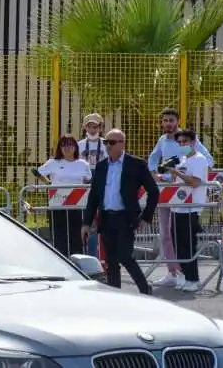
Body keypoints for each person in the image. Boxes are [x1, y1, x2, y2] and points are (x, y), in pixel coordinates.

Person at [82, 129, 159, 295]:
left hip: (126, 217)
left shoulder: (136, 164)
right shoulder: (101, 166)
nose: (107, 146)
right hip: (107, 218)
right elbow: (93, 197)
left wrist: (146, 217)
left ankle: (145, 289)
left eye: (111, 142)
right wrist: (87, 223)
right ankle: (115, 293)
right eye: (106, 142)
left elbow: (154, 191)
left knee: (124, 255)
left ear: (122, 144)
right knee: (111, 259)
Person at [148, 108, 214, 289]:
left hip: (185, 197)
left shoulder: (189, 141)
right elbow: (153, 159)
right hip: (165, 192)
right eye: (165, 120)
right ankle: (172, 272)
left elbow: (208, 161)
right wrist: (155, 173)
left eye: (171, 120)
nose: (168, 123)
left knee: (181, 236)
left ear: (178, 121)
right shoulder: (162, 140)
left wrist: (185, 172)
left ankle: (185, 274)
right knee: (166, 235)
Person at [164, 128, 209, 293]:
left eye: (185, 141)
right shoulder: (182, 159)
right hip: (178, 207)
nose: (182, 145)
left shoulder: (199, 160)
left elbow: (195, 182)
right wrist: (166, 176)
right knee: (178, 245)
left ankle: (193, 279)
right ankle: (184, 275)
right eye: (180, 142)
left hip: (191, 209)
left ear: (193, 142)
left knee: (188, 245)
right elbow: (177, 179)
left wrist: (177, 173)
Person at [35, 134, 92, 256]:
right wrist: (49, 183)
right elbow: (36, 171)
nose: (67, 148)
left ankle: (78, 265)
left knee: (77, 237)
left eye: (70, 144)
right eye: (64, 145)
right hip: (58, 205)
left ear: (75, 147)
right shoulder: (53, 162)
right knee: (59, 237)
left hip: (77, 206)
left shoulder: (83, 164)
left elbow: (89, 180)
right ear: (60, 148)